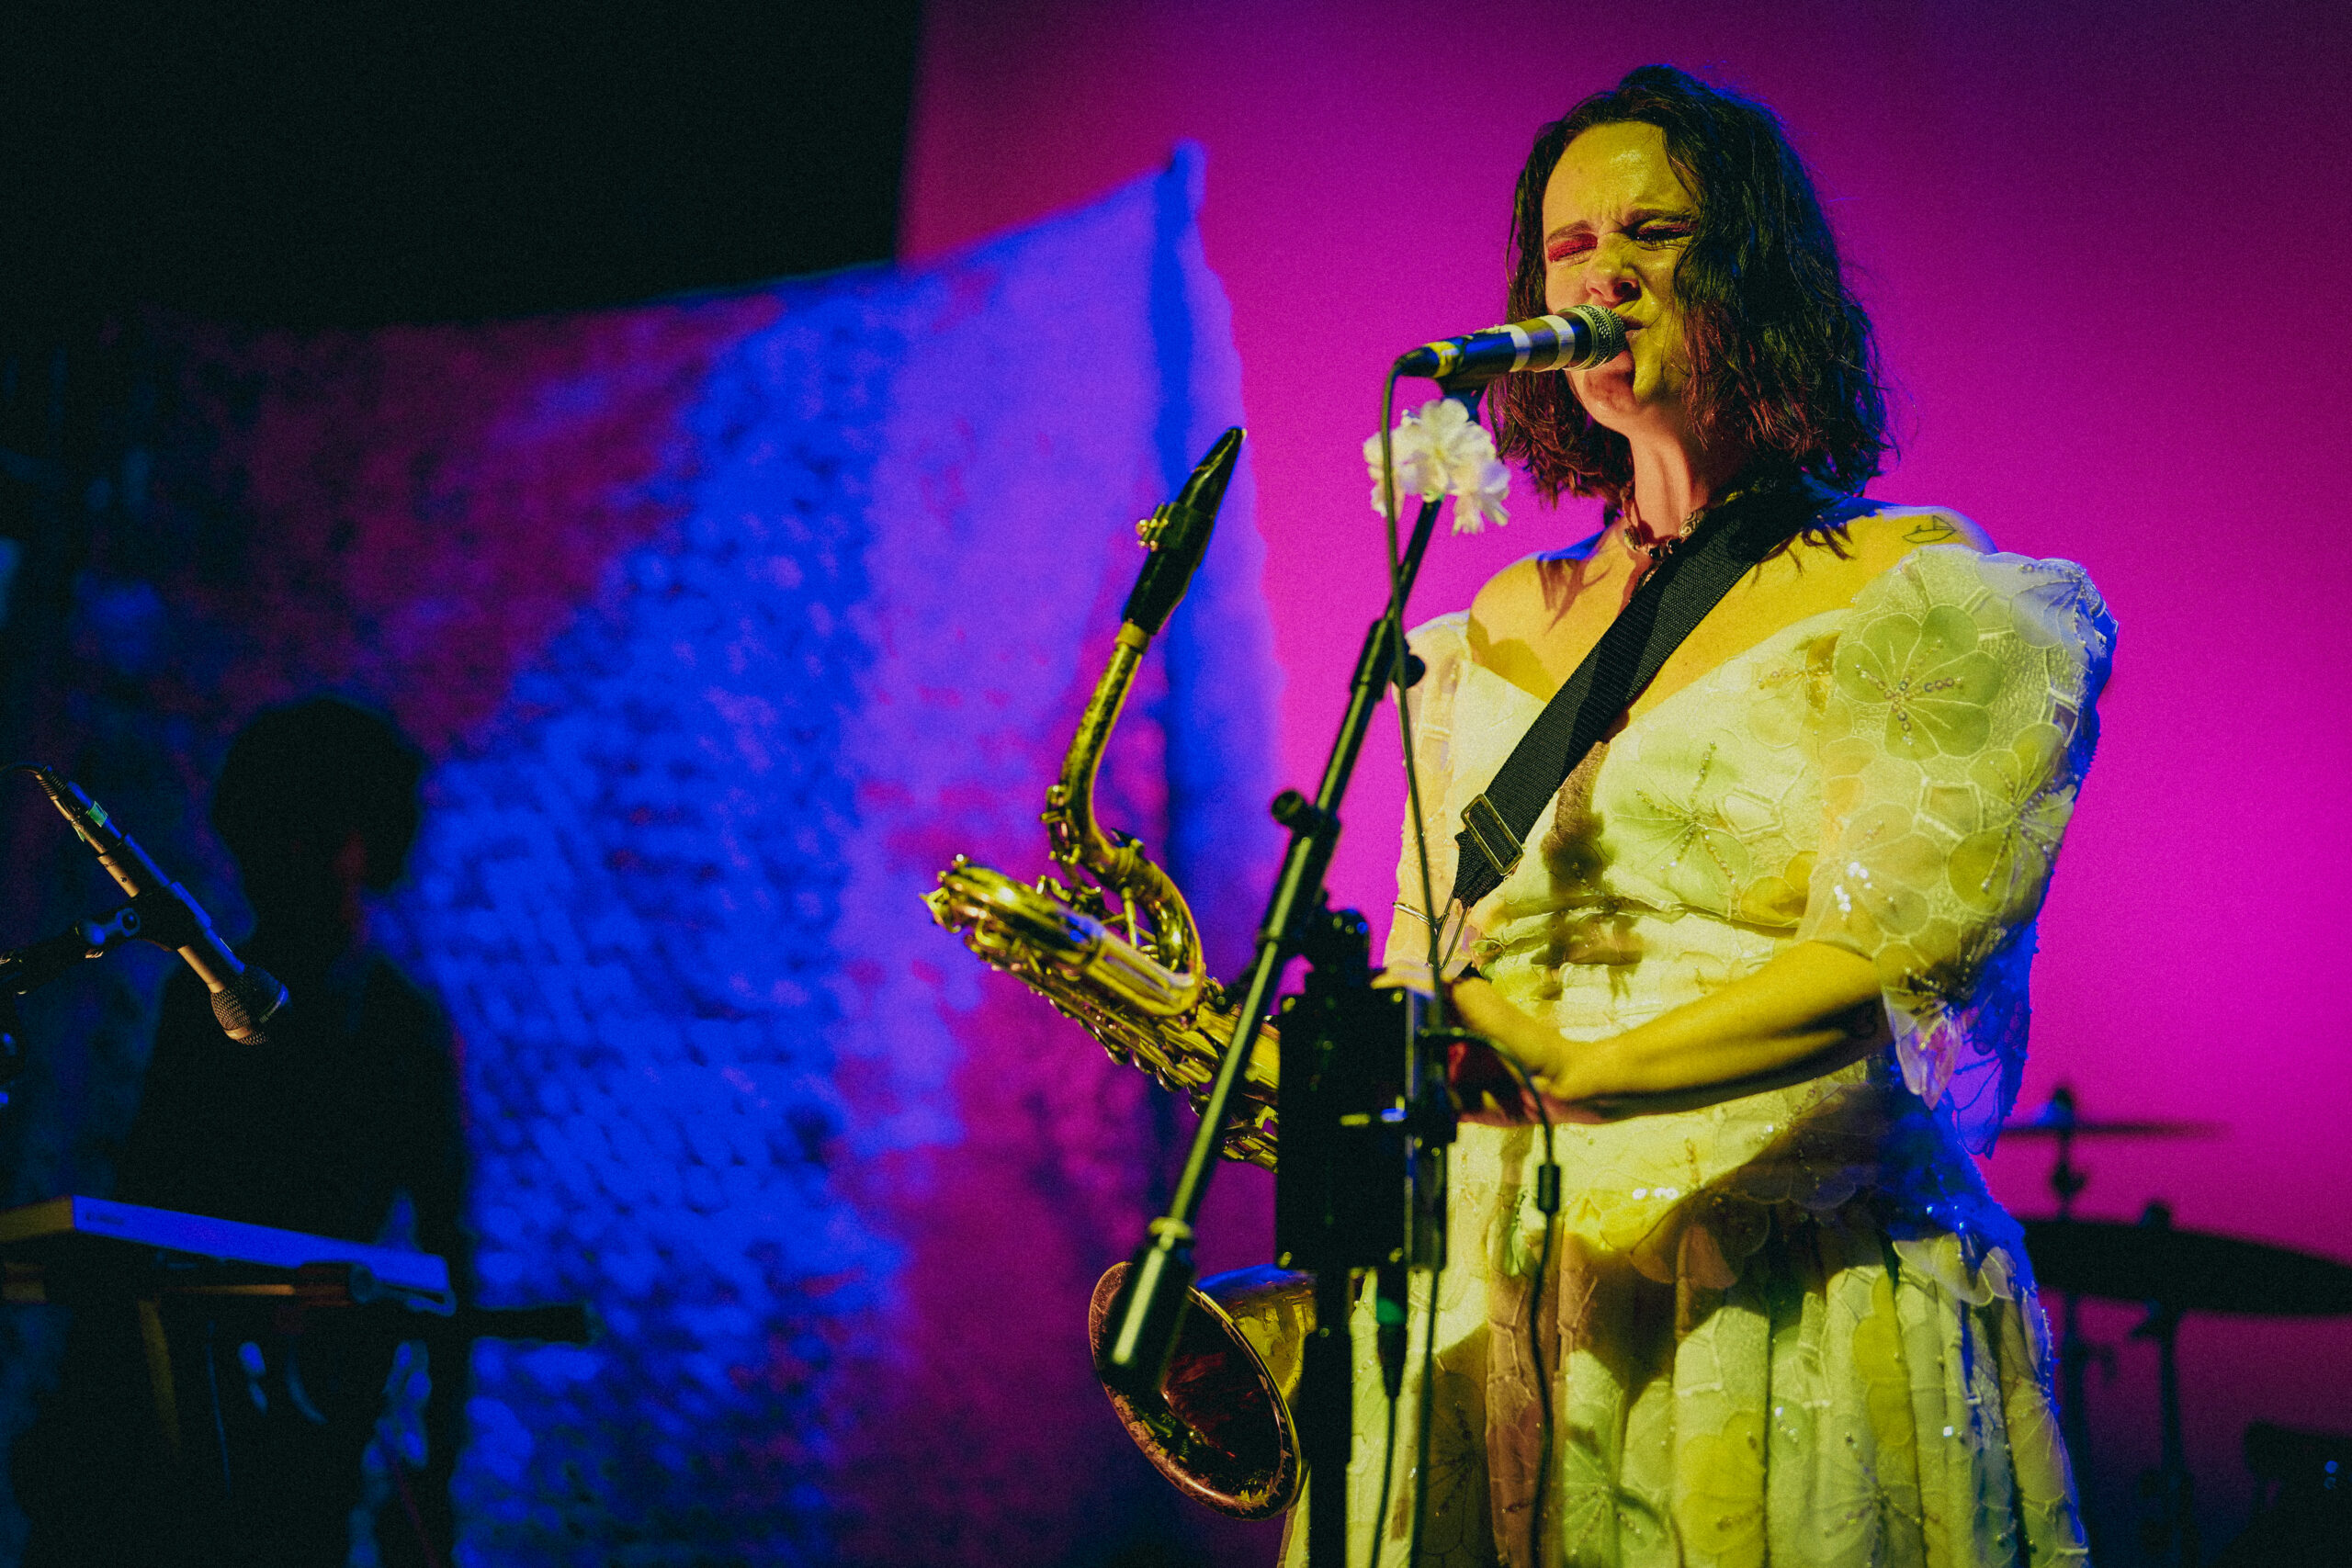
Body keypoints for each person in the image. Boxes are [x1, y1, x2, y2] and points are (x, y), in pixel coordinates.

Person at [1317, 67, 2109, 1566]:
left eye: (1654, 231)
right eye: (1565, 246)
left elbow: (1886, 962)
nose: (1600, 269)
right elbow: (1431, 956)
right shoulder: (1486, 625)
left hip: (1782, 1301)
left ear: (1751, 270)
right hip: (1500, 1291)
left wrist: (1596, 1074)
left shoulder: (1926, 595)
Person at [14, 696, 469, 1568]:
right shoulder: (203, 996)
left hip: (299, 1433)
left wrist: (435, 1475)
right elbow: (146, 1195)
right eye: (269, 836)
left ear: (364, 840)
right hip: (158, 1405)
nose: (284, 861)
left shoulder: (401, 1027)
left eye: (310, 834)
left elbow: (452, 1245)